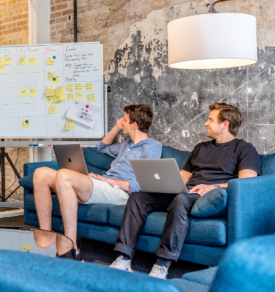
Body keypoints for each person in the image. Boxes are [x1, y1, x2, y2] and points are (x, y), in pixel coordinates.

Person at [110, 103, 262, 279]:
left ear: (225, 124)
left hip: (210, 196)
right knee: (138, 197)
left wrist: (213, 186)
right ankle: (123, 258)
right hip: (186, 193)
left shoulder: (244, 149)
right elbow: (181, 178)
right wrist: (161, 184)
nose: (206, 123)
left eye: (210, 119)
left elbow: (246, 182)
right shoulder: (200, 148)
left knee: (181, 199)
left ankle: (162, 264)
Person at [33, 104, 162, 259]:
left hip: (120, 192)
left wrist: (111, 181)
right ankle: (46, 235)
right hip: (104, 185)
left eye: (124, 119)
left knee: (64, 175)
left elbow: (145, 183)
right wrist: (116, 127)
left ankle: (72, 248)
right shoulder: (126, 146)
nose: (121, 121)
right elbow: (102, 147)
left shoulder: (152, 147)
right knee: (40, 174)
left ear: (134, 125)